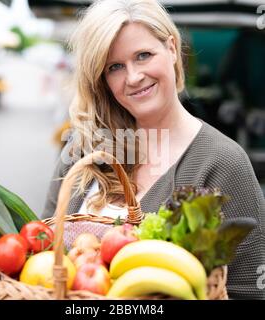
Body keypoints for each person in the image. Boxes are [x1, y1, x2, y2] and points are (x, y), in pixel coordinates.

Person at [43, 0, 265, 299]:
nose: (133, 77)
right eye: (115, 67)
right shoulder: (83, 148)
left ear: (172, 48)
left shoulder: (223, 162)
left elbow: (250, 290)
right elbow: (41, 250)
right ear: (102, 79)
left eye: (143, 55)